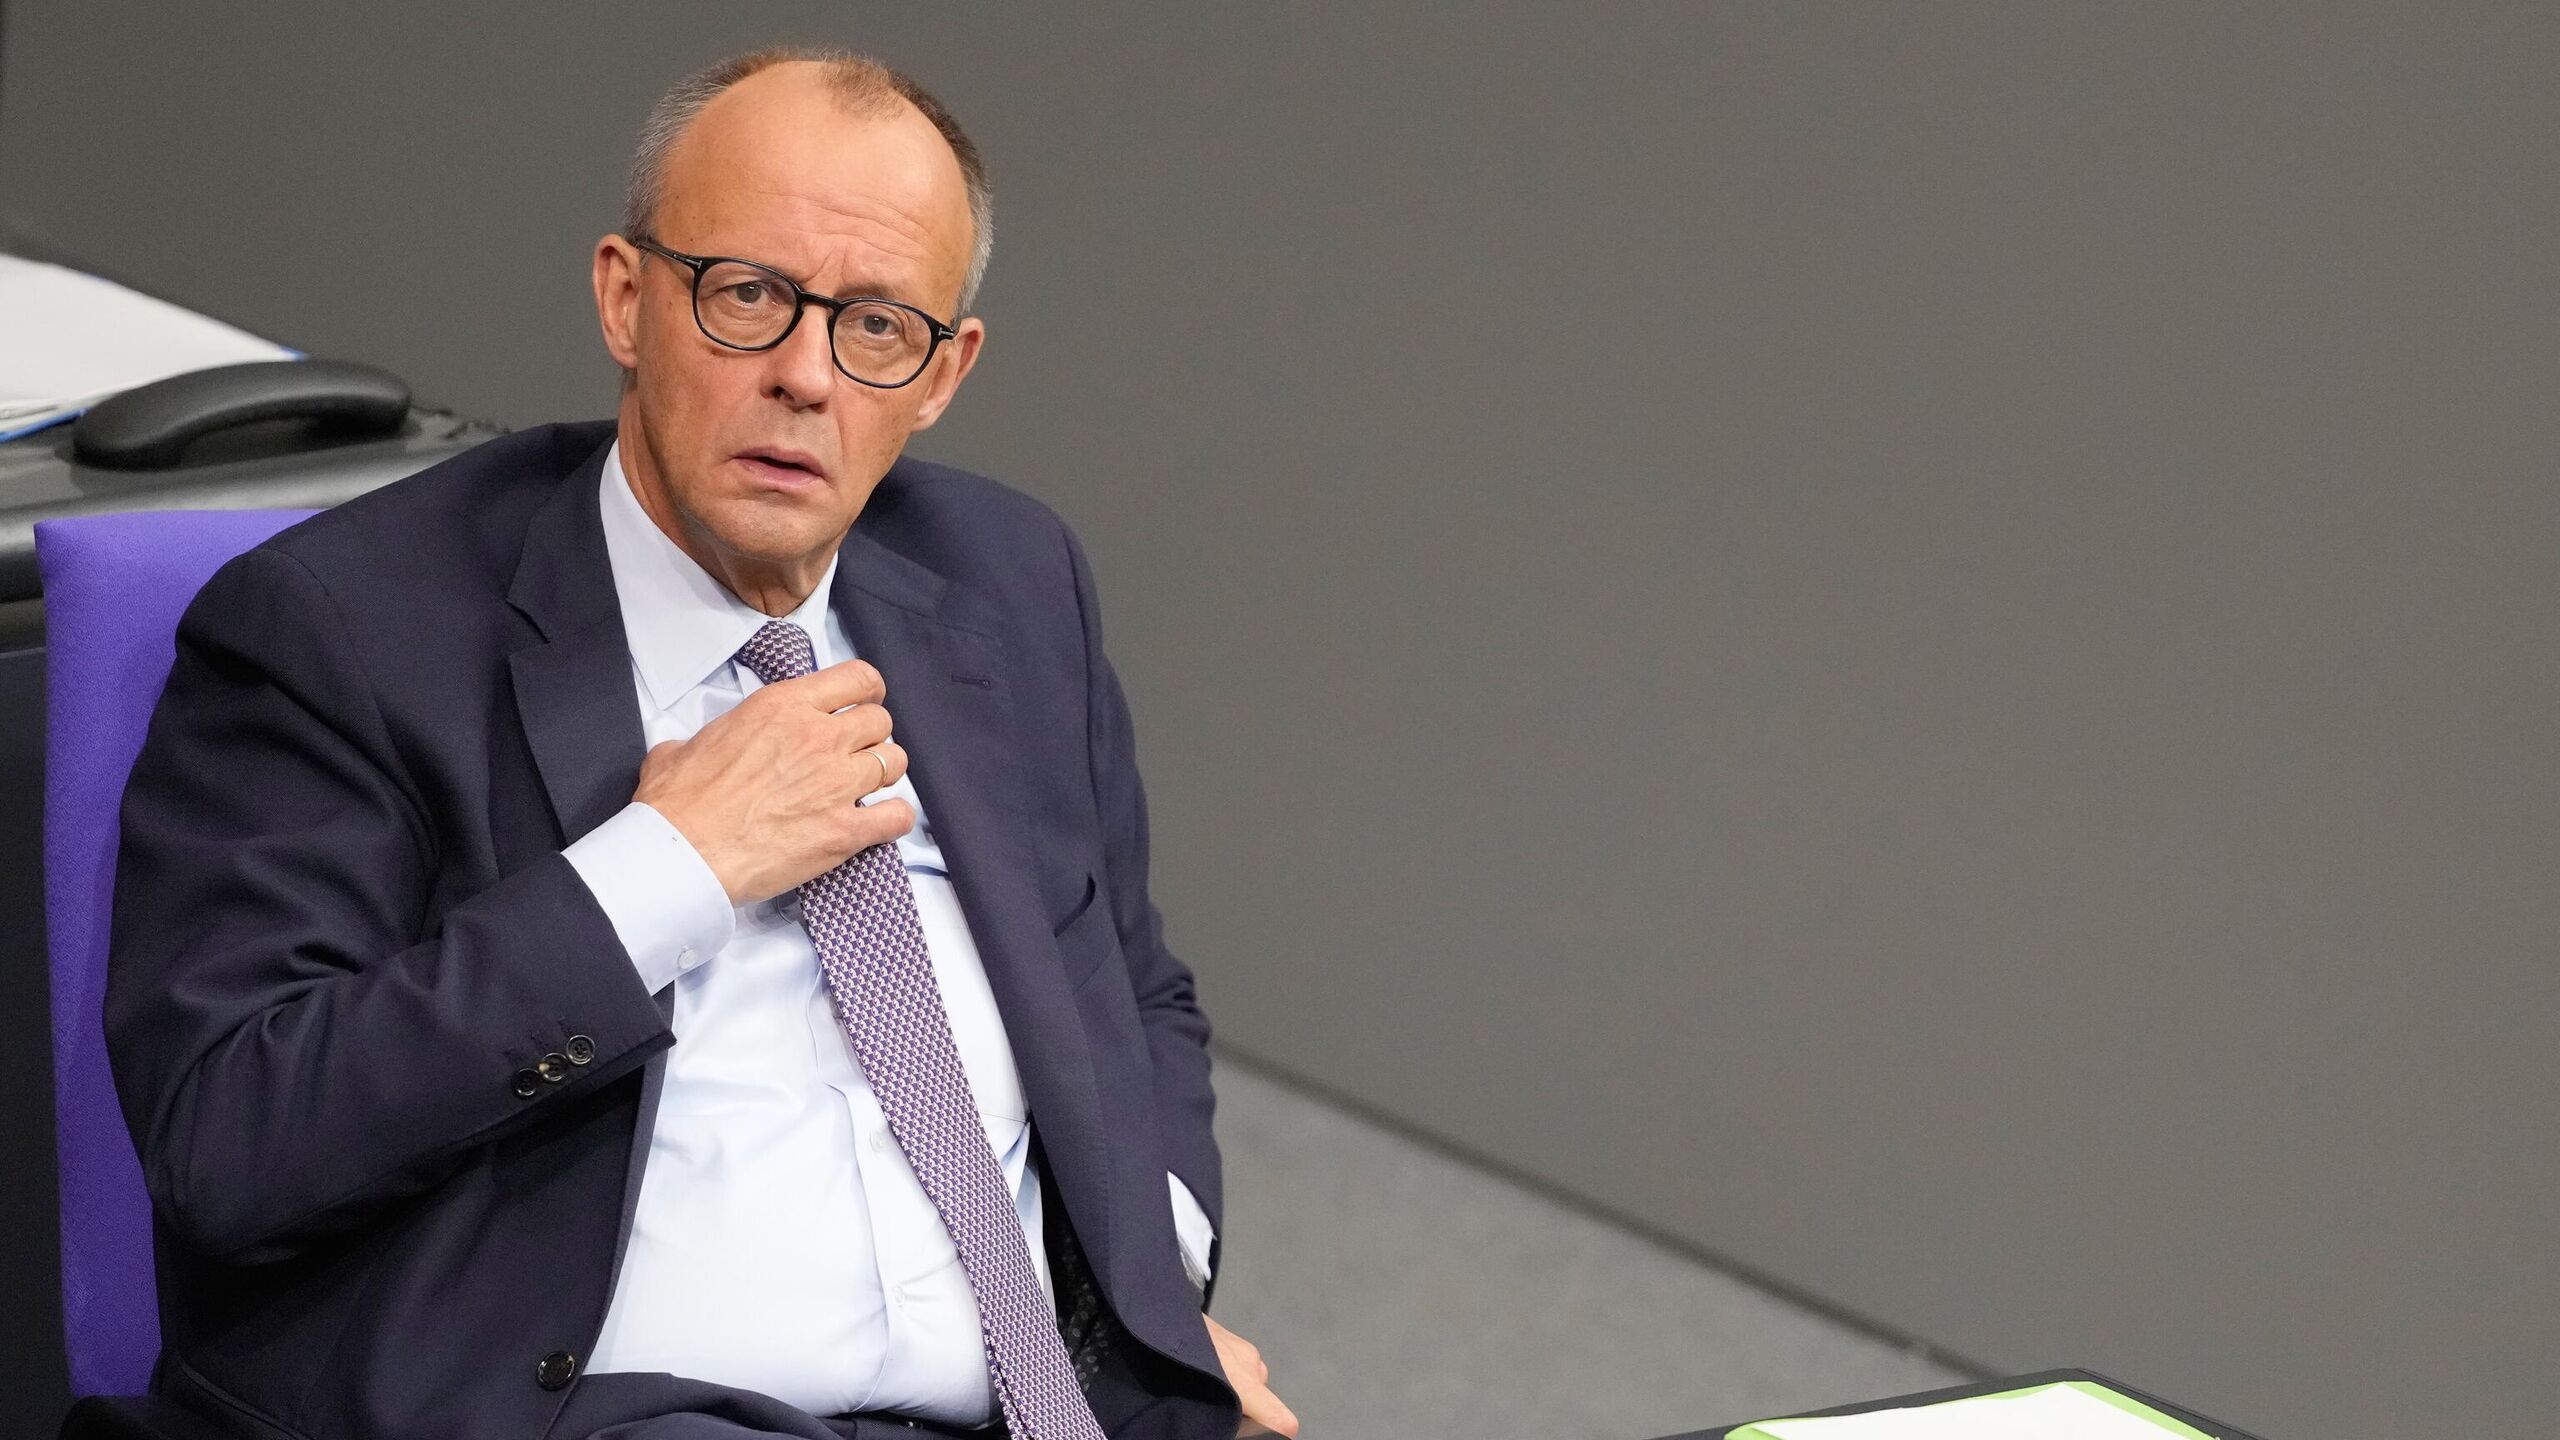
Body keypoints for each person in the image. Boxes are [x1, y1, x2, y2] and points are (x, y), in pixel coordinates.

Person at [105, 46, 1295, 1440]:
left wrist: (1143, 1291)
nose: (804, 377)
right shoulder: (347, 631)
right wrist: (666, 869)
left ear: (942, 374)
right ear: (627, 299)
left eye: (876, 328)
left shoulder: (1011, 580)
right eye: (748, 296)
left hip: (1043, 1391)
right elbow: (234, 1140)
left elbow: (1132, 990)